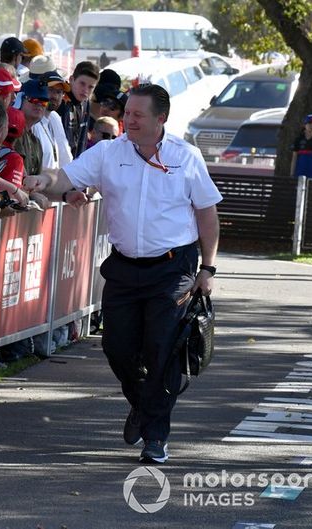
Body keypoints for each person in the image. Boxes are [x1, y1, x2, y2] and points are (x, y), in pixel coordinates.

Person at [24, 84, 222, 464]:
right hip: (124, 267)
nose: (128, 120)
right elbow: (64, 178)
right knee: (117, 348)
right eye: (126, 113)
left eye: (137, 115)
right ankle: (145, 404)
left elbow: (207, 214)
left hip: (173, 268)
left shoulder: (187, 157)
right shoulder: (107, 152)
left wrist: (208, 267)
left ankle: (156, 438)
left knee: (162, 350)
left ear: (160, 119)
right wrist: (43, 182)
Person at [57, 61, 99, 159]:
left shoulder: (86, 102)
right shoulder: (61, 102)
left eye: (90, 87)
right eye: (82, 84)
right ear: (71, 79)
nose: (85, 90)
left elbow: (82, 138)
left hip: (76, 163)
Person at [291, 114, 312, 179]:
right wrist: (292, 173)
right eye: (309, 123)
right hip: (300, 169)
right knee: (300, 187)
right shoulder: (299, 139)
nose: (311, 126)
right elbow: (294, 157)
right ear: (305, 125)